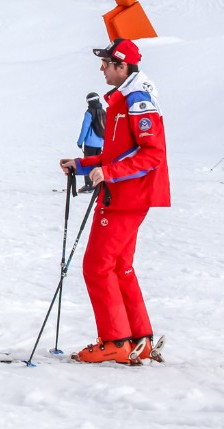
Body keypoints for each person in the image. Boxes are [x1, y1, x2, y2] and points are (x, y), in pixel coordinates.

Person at [58, 38, 170, 364]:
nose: (102, 69)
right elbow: (116, 154)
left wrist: (110, 172)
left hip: (127, 196)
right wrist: (82, 165)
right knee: (120, 267)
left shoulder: (138, 100)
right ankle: (139, 340)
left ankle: (115, 341)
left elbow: (152, 154)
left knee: (97, 266)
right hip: (125, 193)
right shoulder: (123, 99)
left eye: (106, 63)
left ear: (123, 66)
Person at [77, 92, 106, 193]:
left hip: (90, 143)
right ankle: (98, 184)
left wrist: (80, 142)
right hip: (100, 142)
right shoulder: (103, 111)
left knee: (88, 163)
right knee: (98, 164)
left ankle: (88, 185)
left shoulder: (89, 112)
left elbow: (85, 128)